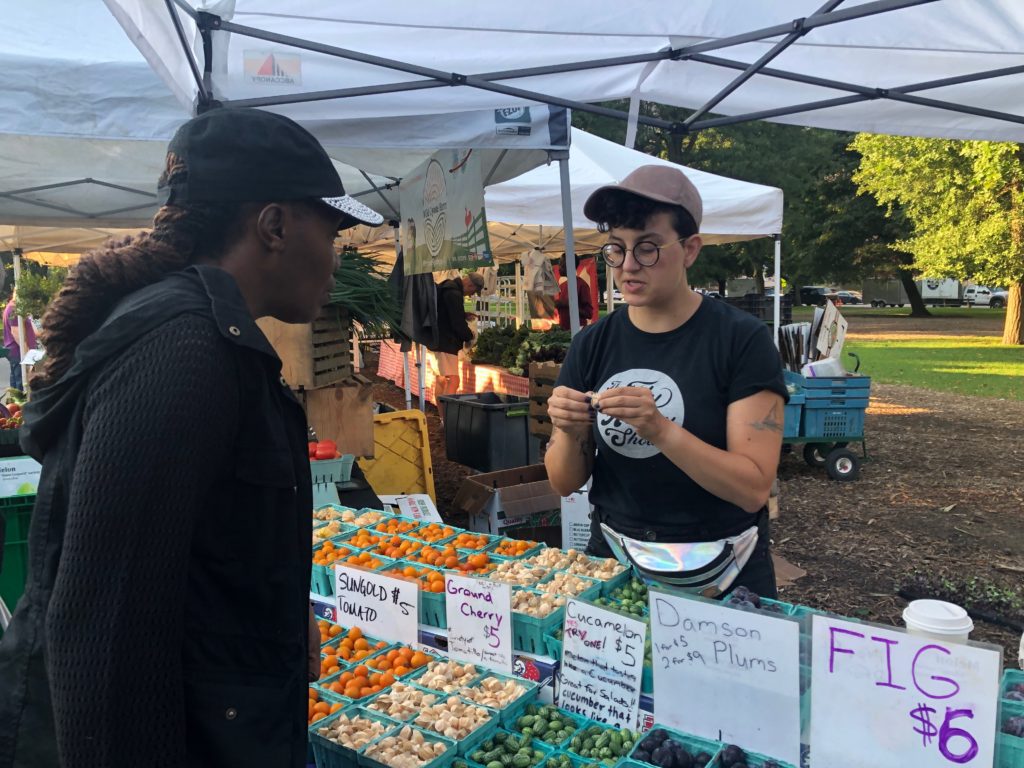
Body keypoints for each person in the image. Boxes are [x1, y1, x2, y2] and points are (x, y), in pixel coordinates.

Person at [0, 108, 383, 768]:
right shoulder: (185, 351)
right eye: (334, 233)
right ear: (275, 225)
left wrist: (273, 627)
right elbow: (103, 629)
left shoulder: (198, 334)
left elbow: (189, 564)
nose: (336, 257)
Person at [544, 165, 787, 597]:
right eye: (616, 249)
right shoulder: (593, 343)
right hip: (614, 555)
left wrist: (659, 429)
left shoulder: (740, 340)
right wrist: (568, 430)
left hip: (725, 565)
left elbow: (752, 488)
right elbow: (565, 482)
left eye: (649, 248)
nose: (629, 266)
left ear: (690, 249)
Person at [430, 272, 484, 420]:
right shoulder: (454, 294)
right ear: (470, 285)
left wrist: (462, 313)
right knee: (454, 380)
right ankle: (449, 419)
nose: (471, 295)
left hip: (436, 340)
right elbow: (456, 324)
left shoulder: (447, 287)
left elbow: (446, 313)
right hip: (446, 342)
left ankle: (443, 419)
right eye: (473, 292)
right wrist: (469, 336)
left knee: (441, 380)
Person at [3, 293, 37, 392]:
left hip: (14, 351)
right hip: (18, 352)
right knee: (21, 383)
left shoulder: (12, 308)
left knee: (15, 381)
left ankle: (14, 404)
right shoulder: (14, 309)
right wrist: (27, 355)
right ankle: (20, 406)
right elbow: (16, 333)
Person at [554, 255, 594, 331]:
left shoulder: (582, 285)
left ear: (569, 265)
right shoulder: (562, 286)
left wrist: (568, 305)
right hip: (563, 331)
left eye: (561, 264)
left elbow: (589, 314)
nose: (559, 267)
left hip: (578, 331)